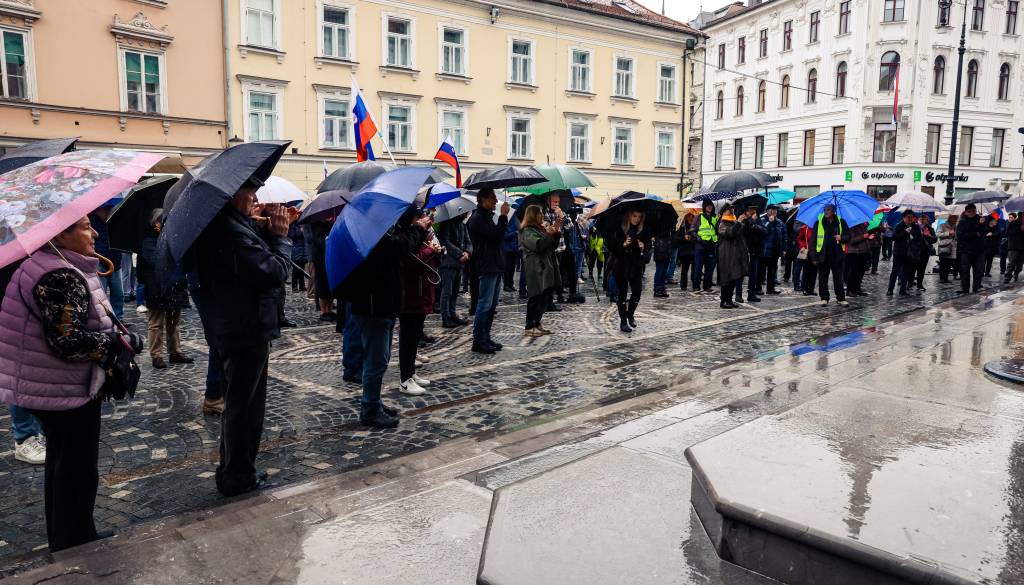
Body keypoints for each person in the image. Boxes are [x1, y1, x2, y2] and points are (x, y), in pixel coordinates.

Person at [0, 216, 143, 551]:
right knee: (76, 470)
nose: (93, 233)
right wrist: (120, 343)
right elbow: (68, 341)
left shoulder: (47, 265)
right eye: (84, 227)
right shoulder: (60, 275)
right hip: (64, 388)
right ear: (60, 236)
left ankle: (67, 536)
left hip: (50, 385)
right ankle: (75, 542)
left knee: (62, 464)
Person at [193, 179, 293, 496]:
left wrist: (254, 224)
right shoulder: (229, 231)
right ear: (232, 194)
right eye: (250, 192)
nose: (256, 197)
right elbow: (273, 271)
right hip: (244, 328)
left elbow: (246, 258)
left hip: (234, 325)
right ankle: (238, 475)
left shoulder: (224, 224)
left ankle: (236, 470)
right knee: (245, 408)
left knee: (241, 403)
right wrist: (280, 238)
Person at [138, 209, 193, 369]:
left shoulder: (173, 238)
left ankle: (175, 352)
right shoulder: (149, 241)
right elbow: (155, 261)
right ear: (156, 223)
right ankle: (156, 355)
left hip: (175, 285)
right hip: (157, 286)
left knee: (174, 321)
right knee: (156, 322)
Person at [397, 210, 440, 396]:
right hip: (410, 294)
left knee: (415, 335)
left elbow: (425, 258)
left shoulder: (417, 235)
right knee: (408, 336)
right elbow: (412, 261)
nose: (421, 221)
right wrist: (431, 249)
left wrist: (436, 250)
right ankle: (405, 378)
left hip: (421, 291)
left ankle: (411, 374)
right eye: (418, 218)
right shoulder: (404, 237)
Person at [467, 189, 510, 354]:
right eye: (492, 198)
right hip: (486, 264)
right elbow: (496, 236)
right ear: (483, 199)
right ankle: (478, 341)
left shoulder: (485, 216)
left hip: (494, 263)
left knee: (491, 305)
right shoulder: (478, 218)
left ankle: (485, 337)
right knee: (484, 304)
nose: (495, 201)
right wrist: (504, 216)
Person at [520, 205, 561, 336]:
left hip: (545, 267)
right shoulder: (527, 231)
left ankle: (537, 323)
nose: (542, 216)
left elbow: (551, 246)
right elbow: (538, 245)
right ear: (533, 215)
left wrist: (556, 233)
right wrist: (548, 235)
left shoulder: (540, 229)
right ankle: (529, 325)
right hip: (536, 269)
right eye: (540, 214)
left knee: (545, 296)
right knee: (535, 296)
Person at [608, 209, 651, 332]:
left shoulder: (643, 231)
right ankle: (623, 322)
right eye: (634, 216)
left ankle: (630, 314)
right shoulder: (620, 228)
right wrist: (623, 245)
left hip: (636, 266)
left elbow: (648, 251)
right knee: (622, 294)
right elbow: (612, 248)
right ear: (629, 215)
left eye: (639, 216)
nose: (637, 219)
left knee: (637, 292)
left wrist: (643, 248)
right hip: (621, 266)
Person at [87, 206, 124, 320]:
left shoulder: (115, 219)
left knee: (118, 292)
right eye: (105, 210)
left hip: (115, 260)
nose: (108, 212)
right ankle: (105, 317)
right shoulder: (90, 219)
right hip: (100, 260)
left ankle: (118, 318)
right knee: (100, 292)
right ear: (99, 209)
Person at [809, 205, 850, 306]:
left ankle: (840, 298)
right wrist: (813, 257)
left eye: (828, 210)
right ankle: (824, 298)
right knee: (823, 279)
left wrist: (842, 238)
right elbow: (813, 241)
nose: (826, 212)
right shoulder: (818, 223)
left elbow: (848, 236)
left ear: (834, 211)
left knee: (838, 279)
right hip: (823, 256)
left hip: (837, 255)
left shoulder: (841, 222)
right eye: (825, 210)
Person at [436, 211, 471, 328]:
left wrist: (467, 252)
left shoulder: (463, 225)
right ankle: (445, 317)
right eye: (466, 212)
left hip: (459, 264)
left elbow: (468, 241)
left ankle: (452, 314)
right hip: (448, 264)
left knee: (455, 291)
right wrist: (460, 253)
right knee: (447, 292)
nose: (467, 214)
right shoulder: (446, 224)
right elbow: (445, 241)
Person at [716, 207, 747, 309]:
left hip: (735, 254)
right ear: (724, 212)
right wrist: (738, 223)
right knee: (726, 278)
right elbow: (730, 233)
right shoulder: (722, 223)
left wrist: (742, 222)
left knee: (734, 277)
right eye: (729, 209)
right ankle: (724, 301)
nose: (731, 211)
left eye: (732, 209)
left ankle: (729, 299)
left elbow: (740, 232)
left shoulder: (733, 221)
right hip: (726, 254)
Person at [888, 210, 922, 296]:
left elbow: (919, 239)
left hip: (910, 253)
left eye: (912, 217)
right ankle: (890, 290)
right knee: (895, 271)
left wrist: (914, 236)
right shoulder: (899, 225)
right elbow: (894, 238)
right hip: (899, 252)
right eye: (908, 217)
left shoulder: (916, 226)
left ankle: (903, 290)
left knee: (906, 272)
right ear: (904, 218)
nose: (910, 219)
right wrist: (905, 232)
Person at [957, 204, 987, 294]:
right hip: (966, 250)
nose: (971, 213)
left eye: (973, 211)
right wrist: (975, 234)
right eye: (969, 211)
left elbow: (983, 233)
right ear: (966, 212)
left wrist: (981, 225)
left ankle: (976, 287)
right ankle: (965, 289)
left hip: (979, 250)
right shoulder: (962, 222)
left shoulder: (981, 220)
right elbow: (960, 235)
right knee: (965, 271)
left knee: (979, 270)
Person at [740, 205, 766, 301]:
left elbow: (764, 231)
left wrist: (755, 224)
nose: (753, 211)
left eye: (754, 209)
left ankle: (751, 294)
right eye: (751, 209)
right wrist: (752, 221)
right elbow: (744, 231)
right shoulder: (744, 219)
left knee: (753, 274)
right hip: (745, 250)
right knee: (742, 273)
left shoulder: (757, 219)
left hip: (755, 250)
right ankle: (739, 295)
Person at [692, 200, 718, 293]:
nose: (710, 207)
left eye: (711, 205)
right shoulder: (698, 216)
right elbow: (693, 230)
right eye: (708, 206)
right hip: (700, 246)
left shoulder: (715, 217)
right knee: (698, 267)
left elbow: (717, 230)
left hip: (711, 245)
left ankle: (707, 286)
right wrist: (699, 239)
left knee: (709, 268)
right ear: (704, 207)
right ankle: (696, 286)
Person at [760, 206, 786, 295]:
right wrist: (769, 223)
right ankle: (758, 288)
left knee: (772, 270)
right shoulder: (763, 220)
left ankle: (770, 289)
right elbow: (763, 232)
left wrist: (784, 249)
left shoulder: (779, 222)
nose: (774, 211)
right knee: (762, 270)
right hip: (765, 249)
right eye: (772, 210)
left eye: (775, 210)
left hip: (776, 249)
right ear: (767, 211)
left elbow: (784, 236)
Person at [844, 222, 870, 297]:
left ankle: (857, 289)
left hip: (863, 252)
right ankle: (849, 290)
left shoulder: (863, 225)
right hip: (854, 252)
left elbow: (864, 238)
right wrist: (863, 236)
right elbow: (851, 240)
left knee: (860, 272)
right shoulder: (852, 226)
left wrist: (868, 237)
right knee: (853, 272)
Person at [914, 215, 937, 291]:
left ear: (927, 220)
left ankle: (919, 284)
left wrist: (928, 235)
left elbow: (934, 239)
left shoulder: (930, 228)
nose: (923, 220)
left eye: (924, 219)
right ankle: (910, 282)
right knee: (912, 268)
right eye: (921, 219)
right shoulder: (914, 227)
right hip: (915, 251)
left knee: (922, 268)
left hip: (925, 251)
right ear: (918, 219)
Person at [675, 214, 696, 291]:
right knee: (684, 269)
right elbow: (676, 238)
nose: (692, 217)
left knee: (695, 269)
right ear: (686, 216)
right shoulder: (682, 226)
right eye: (690, 215)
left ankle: (695, 285)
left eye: (692, 215)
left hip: (694, 250)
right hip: (685, 251)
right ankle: (683, 285)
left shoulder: (696, 225)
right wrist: (684, 237)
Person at [794, 222, 816, 296]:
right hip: (807, 252)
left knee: (814, 271)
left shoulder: (820, 227)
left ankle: (811, 289)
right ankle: (805, 288)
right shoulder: (805, 228)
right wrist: (802, 246)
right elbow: (799, 238)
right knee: (806, 271)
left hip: (816, 252)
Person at [652, 229, 673, 298]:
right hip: (660, 251)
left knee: (663, 271)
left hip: (666, 250)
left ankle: (662, 288)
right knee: (659, 271)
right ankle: (657, 289)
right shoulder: (660, 225)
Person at [502, 214, 520, 293]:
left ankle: (510, 284)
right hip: (507, 249)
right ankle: (506, 285)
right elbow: (505, 236)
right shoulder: (505, 219)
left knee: (512, 268)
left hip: (514, 248)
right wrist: (515, 233)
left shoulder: (515, 217)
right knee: (507, 268)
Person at [938, 215, 958, 283]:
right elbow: (938, 234)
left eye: (956, 219)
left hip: (953, 247)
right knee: (943, 263)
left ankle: (946, 278)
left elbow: (957, 236)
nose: (955, 220)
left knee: (949, 263)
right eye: (954, 218)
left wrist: (955, 235)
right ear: (950, 218)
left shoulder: (956, 227)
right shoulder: (942, 225)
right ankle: (942, 278)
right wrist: (948, 233)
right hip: (944, 246)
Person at [1005, 213, 1024, 283]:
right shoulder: (1013, 223)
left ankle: (1016, 274)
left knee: (1020, 265)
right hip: (1013, 247)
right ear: (1020, 216)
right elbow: (1007, 233)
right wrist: (1019, 229)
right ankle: (1007, 278)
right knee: (1011, 263)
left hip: (1022, 248)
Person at [289, 222, 307, 293]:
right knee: (296, 269)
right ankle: (294, 286)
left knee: (302, 268)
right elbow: (291, 235)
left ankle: (302, 286)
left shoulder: (303, 224)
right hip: (296, 249)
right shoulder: (293, 225)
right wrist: (300, 231)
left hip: (302, 249)